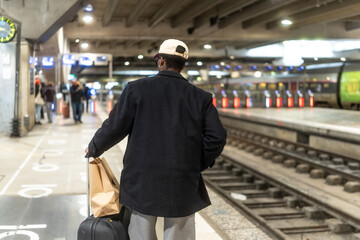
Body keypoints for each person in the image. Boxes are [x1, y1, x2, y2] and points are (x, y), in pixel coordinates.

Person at [85, 39, 227, 240]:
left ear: (160, 61)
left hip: (142, 178)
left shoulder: (136, 89)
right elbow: (217, 137)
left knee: (141, 232)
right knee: (180, 232)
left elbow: (115, 126)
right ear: (183, 65)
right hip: (182, 179)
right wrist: (195, 163)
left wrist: (94, 147)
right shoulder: (200, 97)